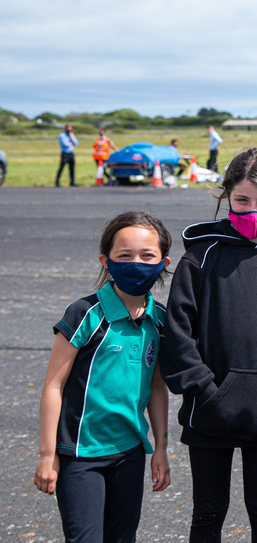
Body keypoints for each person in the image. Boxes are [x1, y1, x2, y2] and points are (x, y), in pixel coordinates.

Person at [159, 148, 257, 542]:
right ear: (226, 196)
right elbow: (178, 333)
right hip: (209, 414)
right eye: (242, 200)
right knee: (208, 512)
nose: (252, 209)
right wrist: (207, 392)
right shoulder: (199, 258)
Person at [34, 211, 172, 541]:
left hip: (130, 454)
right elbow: (54, 386)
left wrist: (162, 449)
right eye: (124, 255)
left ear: (164, 261)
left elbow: (156, 387)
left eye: (147, 255)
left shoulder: (160, 320)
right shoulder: (85, 314)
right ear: (106, 261)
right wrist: (47, 455)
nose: (136, 263)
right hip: (80, 455)